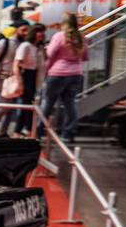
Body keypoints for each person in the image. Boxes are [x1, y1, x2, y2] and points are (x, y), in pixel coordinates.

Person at [37, 12, 89, 144]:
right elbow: (85, 57)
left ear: (63, 23)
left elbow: (50, 54)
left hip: (57, 74)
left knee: (47, 103)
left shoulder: (59, 36)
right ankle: (68, 133)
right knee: (70, 103)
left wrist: (46, 71)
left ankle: (38, 131)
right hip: (76, 74)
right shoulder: (82, 37)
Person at [0, 21, 28, 137]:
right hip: (1, 78)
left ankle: (2, 131)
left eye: (27, 30)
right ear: (16, 29)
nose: (26, 33)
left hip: (14, 79)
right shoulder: (5, 42)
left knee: (8, 106)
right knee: (7, 105)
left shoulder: (24, 44)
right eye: (23, 29)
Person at [10, 23, 46, 137]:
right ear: (33, 32)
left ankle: (17, 132)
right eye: (38, 31)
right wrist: (20, 82)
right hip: (24, 75)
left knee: (27, 105)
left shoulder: (39, 47)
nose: (41, 34)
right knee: (28, 106)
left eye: (42, 31)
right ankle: (30, 131)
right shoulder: (25, 45)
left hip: (34, 76)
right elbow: (16, 65)